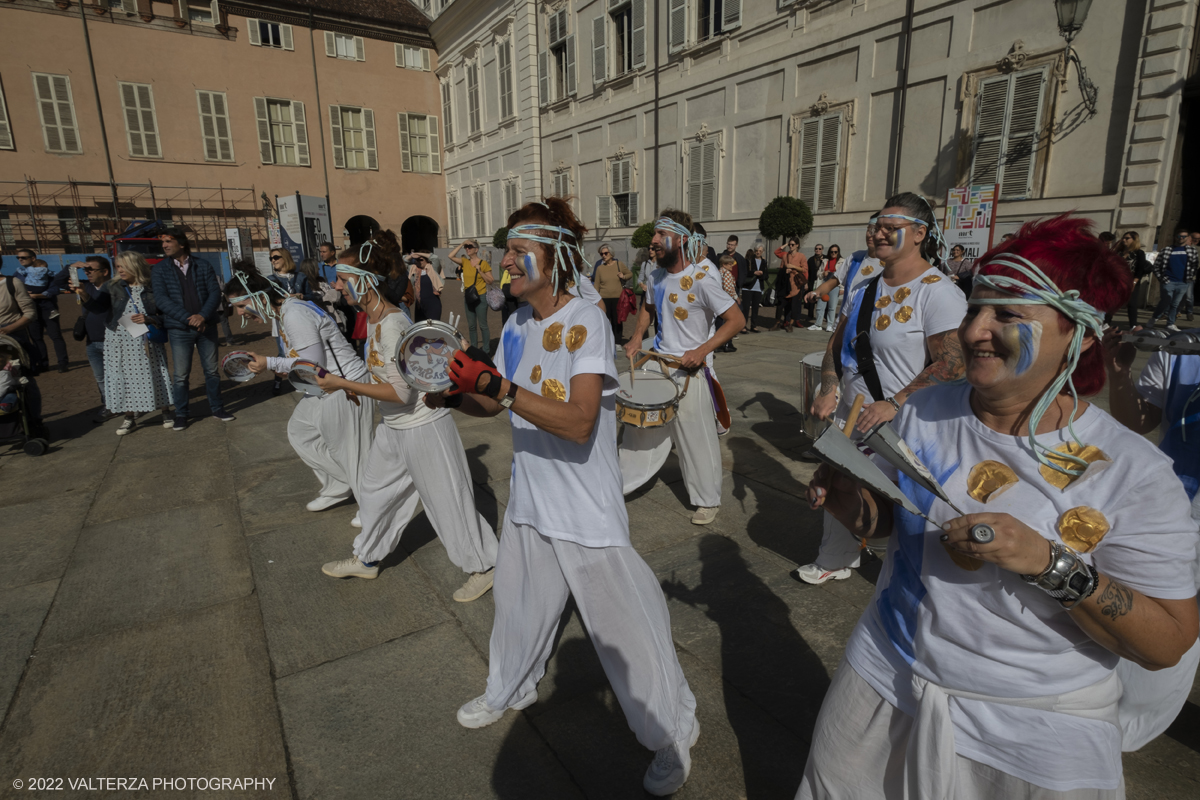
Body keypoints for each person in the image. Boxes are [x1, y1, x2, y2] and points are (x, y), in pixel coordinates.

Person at [798, 215, 1199, 800]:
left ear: (1081, 334)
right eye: (974, 310)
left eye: (1008, 314)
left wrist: (1048, 564)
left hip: (1030, 726)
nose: (975, 331)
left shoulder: (1134, 474)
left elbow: (1166, 643)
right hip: (884, 674)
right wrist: (844, 499)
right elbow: (885, 523)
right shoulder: (926, 411)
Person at [434, 197, 699, 796]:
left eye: (519, 250)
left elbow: (580, 421)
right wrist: (455, 394)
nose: (506, 261)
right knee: (519, 604)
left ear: (552, 258)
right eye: (507, 249)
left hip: (584, 505)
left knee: (624, 627)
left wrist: (498, 389)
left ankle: (673, 729)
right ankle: (511, 685)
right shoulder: (520, 324)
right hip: (532, 494)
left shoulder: (588, 320)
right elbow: (493, 397)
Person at [797, 193, 967, 585]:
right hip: (851, 414)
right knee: (839, 487)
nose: (879, 234)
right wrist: (828, 388)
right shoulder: (863, 287)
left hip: (903, 424)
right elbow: (836, 348)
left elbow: (954, 363)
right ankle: (836, 558)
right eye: (876, 226)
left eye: (892, 228)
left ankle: (906, 576)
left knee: (902, 511)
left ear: (920, 233)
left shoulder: (936, 291)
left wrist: (896, 402)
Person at [314, 244, 499, 601]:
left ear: (366, 282)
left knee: (448, 502)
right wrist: (357, 386)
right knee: (373, 492)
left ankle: (484, 565)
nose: (337, 286)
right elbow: (386, 378)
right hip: (393, 429)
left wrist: (342, 385)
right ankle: (367, 557)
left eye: (342, 279)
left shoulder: (394, 324)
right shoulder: (376, 319)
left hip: (422, 427)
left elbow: (401, 394)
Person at [1102, 323, 1200, 752]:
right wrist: (1118, 373)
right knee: (1163, 614)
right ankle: (1118, 727)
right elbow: (1139, 421)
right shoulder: (1181, 345)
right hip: (1178, 506)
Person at [620, 210, 746, 524]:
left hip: (689, 372)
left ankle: (707, 500)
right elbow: (648, 308)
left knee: (696, 438)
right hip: (659, 363)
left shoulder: (703, 279)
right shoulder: (655, 275)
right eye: (654, 235)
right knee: (639, 429)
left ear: (681, 239)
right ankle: (621, 481)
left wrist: (702, 350)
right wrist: (637, 337)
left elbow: (736, 320)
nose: (653, 241)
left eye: (661, 235)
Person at [228, 266, 374, 522]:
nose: (238, 314)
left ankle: (372, 508)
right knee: (301, 431)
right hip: (324, 386)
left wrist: (269, 364)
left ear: (259, 296)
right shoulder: (284, 311)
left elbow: (312, 366)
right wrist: (273, 363)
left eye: (241, 306)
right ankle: (338, 485)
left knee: (350, 450)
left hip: (343, 383)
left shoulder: (294, 313)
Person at [78, 252, 174, 436]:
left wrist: (150, 318)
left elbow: (166, 313)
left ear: (135, 265)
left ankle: (165, 412)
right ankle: (129, 417)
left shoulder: (153, 286)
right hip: (119, 338)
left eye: (123, 266)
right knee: (122, 376)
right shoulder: (112, 286)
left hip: (145, 337)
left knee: (156, 372)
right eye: (118, 266)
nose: (120, 270)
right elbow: (99, 309)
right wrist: (84, 295)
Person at [151, 231, 233, 429]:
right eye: (163, 242)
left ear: (181, 243)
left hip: (207, 326)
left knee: (212, 371)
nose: (164, 245)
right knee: (180, 375)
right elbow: (161, 300)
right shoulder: (159, 269)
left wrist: (202, 316)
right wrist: (189, 319)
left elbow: (214, 293)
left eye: (168, 241)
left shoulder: (202, 265)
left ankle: (217, 408)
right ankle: (181, 414)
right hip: (179, 329)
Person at [15, 251, 70, 373]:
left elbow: (55, 288)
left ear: (33, 258)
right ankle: (43, 363)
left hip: (48, 309)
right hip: (29, 310)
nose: (20, 259)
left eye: (23, 257)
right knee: (36, 338)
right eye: (18, 257)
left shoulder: (45, 272)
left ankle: (63, 362)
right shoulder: (18, 275)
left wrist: (37, 295)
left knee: (55, 336)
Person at [78, 256, 115, 422]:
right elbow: (57, 283)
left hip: (111, 339)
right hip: (91, 341)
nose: (87, 273)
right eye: (85, 270)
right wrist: (70, 268)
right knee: (100, 377)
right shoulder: (87, 287)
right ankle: (109, 405)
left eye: (90, 269)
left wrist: (85, 296)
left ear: (105, 271)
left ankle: (126, 404)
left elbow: (100, 309)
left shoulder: (114, 288)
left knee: (116, 375)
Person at [1147, 228, 1197, 331]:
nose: (1181, 238)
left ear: (1188, 238)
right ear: (1175, 237)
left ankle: (1170, 323)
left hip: (1183, 282)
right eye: (1179, 236)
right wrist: (1162, 278)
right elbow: (1156, 267)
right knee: (1165, 301)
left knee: (1175, 304)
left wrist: (1190, 277)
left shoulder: (1192, 251)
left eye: (1184, 236)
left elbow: (1194, 266)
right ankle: (1154, 318)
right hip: (1168, 281)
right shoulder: (1166, 250)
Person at [448, 240, 494, 351]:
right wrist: (461, 244)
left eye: (470, 247)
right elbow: (450, 256)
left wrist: (480, 271)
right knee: (471, 326)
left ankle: (486, 351)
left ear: (476, 249)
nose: (467, 248)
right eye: (466, 247)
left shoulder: (483, 264)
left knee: (483, 325)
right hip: (468, 297)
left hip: (481, 297)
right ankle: (473, 349)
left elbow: (490, 281)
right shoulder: (464, 262)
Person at [593, 243, 632, 342]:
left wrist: (623, 276)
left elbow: (630, 274)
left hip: (618, 298)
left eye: (606, 253)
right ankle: (607, 341)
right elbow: (596, 285)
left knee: (617, 321)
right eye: (602, 254)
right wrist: (594, 300)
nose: (603, 256)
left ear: (611, 254)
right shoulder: (600, 268)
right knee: (605, 321)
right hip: (604, 299)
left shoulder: (619, 264)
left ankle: (618, 341)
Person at [1111, 232, 1151, 327]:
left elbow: (1139, 270)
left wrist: (1134, 282)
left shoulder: (1139, 253)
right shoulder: (1118, 252)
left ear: (1134, 240)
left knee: (1131, 304)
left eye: (1127, 238)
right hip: (1117, 281)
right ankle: (1106, 323)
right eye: (1123, 238)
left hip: (1131, 281)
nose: (1124, 240)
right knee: (1112, 303)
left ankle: (1133, 325)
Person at [299, 256, 346, 332]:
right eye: (316, 267)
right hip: (317, 318)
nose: (319, 269)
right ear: (311, 269)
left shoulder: (321, 280)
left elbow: (333, 296)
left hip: (331, 315)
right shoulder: (304, 285)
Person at [808, 244, 845, 332]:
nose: (833, 253)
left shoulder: (842, 261)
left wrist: (842, 288)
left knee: (832, 307)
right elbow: (818, 273)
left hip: (835, 285)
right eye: (831, 251)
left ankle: (830, 325)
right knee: (820, 305)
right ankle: (818, 324)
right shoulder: (825, 261)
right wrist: (823, 273)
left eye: (835, 252)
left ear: (838, 252)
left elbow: (844, 276)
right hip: (824, 284)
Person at [408, 252, 444, 321]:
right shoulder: (414, 269)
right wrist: (412, 255)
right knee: (420, 328)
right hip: (419, 305)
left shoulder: (432, 268)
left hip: (433, 304)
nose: (418, 262)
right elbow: (404, 262)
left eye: (421, 260)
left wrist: (420, 254)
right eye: (417, 260)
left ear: (427, 260)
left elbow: (435, 258)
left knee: (433, 328)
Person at [741, 244, 766, 333]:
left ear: (762, 252)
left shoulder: (764, 262)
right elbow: (745, 272)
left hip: (758, 287)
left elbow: (766, 275)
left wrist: (762, 274)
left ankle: (753, 326)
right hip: (748, 287)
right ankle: (743, 326)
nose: (758, 252)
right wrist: (754, 272)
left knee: (756, 308)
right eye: (756, 250)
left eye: (760, 251)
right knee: (746, 308)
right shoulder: (749, 261)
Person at [718, 255, 740, 353]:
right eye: (730, 264)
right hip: (727, 300)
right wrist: (736, 297)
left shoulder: (719, 272)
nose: (732, 266)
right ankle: (727, 343)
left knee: (720, 323)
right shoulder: (726, 273)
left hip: (719, 300)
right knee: (730, 322)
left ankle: (718, 345)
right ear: (724, 264)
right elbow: (728, 288)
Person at [806, 243, 826, 322]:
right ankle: (810, 315)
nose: (818, 250)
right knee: (812, 298)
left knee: (823, 298)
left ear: (822, 250)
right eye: (816, 249)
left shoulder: (826, 258)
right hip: (812, 282)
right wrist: (806, 283)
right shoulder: (811, 259)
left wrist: (823, 261)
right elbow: (807, 272)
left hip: (822, 282)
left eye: (819, 249)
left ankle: (823, 315)